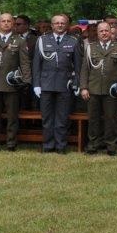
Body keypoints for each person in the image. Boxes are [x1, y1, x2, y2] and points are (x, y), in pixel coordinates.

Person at [79, 21, 117, 156]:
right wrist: (84, 87)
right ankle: (93, 144)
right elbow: (85, 70)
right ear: (97, 33)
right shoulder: (90, 48)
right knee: (93, 119)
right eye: (101, 31)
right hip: (93, 89)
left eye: (106, 31)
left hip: (112, 91)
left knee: (111, 119)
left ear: (111, 32)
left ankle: (111, 145)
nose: (104, 33)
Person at [0, 12, 32, 152]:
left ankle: (11, 143)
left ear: (13, 23)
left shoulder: (20, 40)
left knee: (12, 116)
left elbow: (25, 63)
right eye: (3, 21)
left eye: (9, 21)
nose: (6, 23)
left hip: (12, 84)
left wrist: (26, 81)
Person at [32, 13, 82, 154]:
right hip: (45, 84)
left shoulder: (73, 41)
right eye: (57, 23)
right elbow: (36, 65)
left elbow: (78, 66)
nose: (60, 25)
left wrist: (77, 83)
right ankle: (48, 145)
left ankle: (61, 146)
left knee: (62, 118)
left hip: (64, 84)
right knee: (47, 118)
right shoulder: (42, 40)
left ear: (67, 25)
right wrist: (36, 84)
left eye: (62, 23)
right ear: (52, 25)